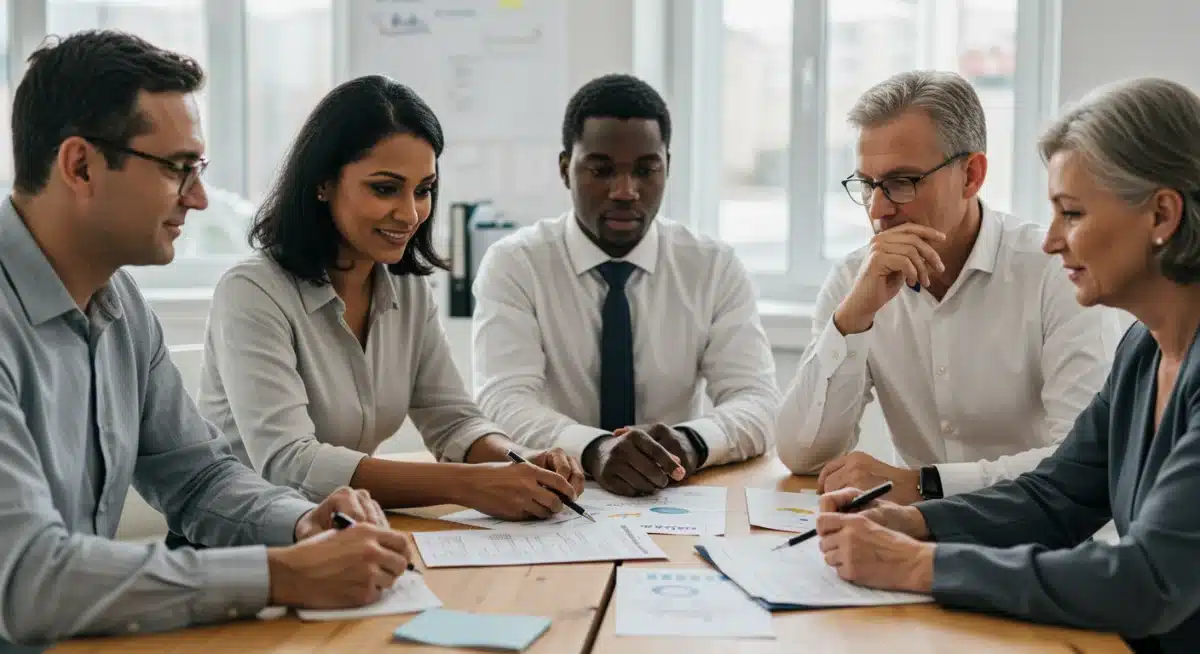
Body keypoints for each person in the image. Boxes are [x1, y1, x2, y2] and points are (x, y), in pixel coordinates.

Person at [0, 31, 416, 650]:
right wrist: (281, 576)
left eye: (199, 170)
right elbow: (29, 583)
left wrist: (302, 522)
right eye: (177, 169)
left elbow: (196, 477)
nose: (197, 198)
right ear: (80, 165)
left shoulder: (122, 308)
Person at [814, 76, 1200, 654]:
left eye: (1071, 213)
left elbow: (1147, 582)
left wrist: (921, 565)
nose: (1050, 241)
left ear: (1162, 215)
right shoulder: (1144, 350)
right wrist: (916, 524)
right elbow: (1057, 496)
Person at [197, 75, 584, 521]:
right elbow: (290, 464)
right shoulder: (252, 292)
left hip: (345, 532)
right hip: (246, 543)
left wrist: (518, 459)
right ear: (322, 182)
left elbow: (454, 421)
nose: (411, 212)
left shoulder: (407, 288)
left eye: (423, 190)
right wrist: (474, 485)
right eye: (385, 188)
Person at [775, 70, 1120, 504]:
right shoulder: (855, 279)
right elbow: (802, 455)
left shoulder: (1057, 271)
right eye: (867, 184)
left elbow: (1080, 463)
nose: (878, 210)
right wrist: (851, 320)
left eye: (902, 182)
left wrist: (925, 484)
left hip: (1044, 542)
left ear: (972, 175)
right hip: (919, 537)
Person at [471, 73, 780, 497]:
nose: (625, 191)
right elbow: (502, 403)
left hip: (674, 492)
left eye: (645, 170)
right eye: (601, 170)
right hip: (558, 493)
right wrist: (594, 448)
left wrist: (691, 442)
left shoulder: (713, 266)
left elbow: (758, 401)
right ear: (565, 169)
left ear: (667, 167)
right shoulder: (516, 264)